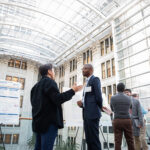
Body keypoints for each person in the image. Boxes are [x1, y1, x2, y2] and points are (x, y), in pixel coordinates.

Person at [30, 63, 82, 150]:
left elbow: (34, 104)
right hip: (48, 124)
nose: (54, 73)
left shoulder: (35, 87)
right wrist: (73, 90)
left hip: (37, 123)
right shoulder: (50, 82)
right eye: (53, 71)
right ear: (49, 72)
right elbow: (58, 99)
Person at [77, 64, 103, 150]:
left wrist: (98, 108)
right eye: (82, 68)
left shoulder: (95, 79)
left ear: (91, 70)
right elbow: (89, 98)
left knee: (94, 140)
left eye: (85, 68)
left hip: (93, 114)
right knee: (89, 139)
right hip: (86, 114)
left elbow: (98, 97)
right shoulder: (87, 82)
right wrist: (82, 104)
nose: (83, 70)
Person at [110, 83, 135, 150]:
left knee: (117, 141)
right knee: (130, 140)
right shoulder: (129, 98)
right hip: (127, 120)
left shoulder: (112, 98)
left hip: (117, 120)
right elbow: (131, 107)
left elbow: (112, 109)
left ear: (117, 89)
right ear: (124, 89)